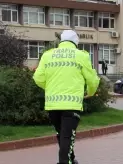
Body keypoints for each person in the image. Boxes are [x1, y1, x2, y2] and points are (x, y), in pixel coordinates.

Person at [33, 30, 100, 164]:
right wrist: (91, 92)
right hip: (71, 105)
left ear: (61, 41)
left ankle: (71, 159)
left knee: (62, 135)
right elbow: (92, 80)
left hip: (52, 105)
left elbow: (38, 78)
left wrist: (51, 88)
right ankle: (64, 161)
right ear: (76, 42)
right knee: (67, 136)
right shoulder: (81, 55)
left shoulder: (48, 55)